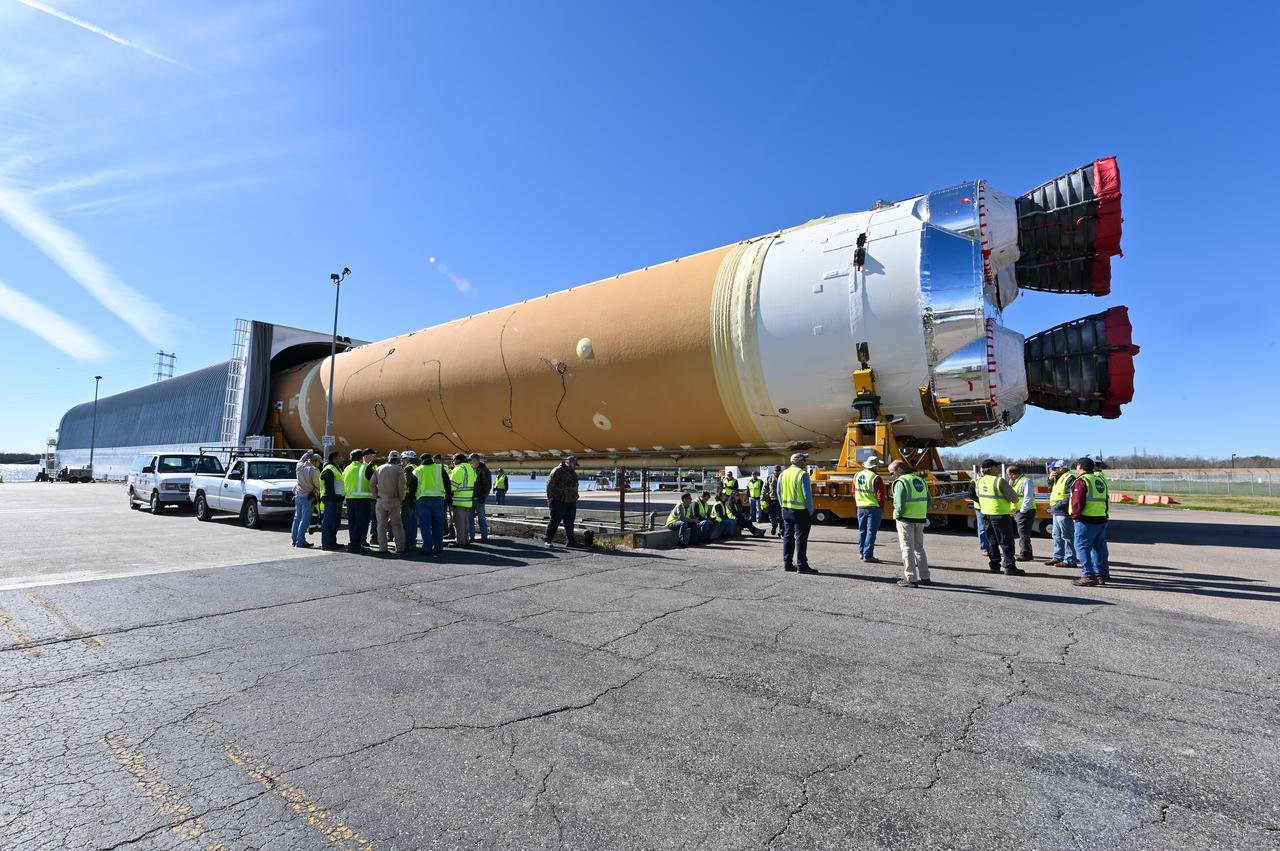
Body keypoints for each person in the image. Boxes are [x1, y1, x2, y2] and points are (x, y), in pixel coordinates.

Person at [971, 459, 1022, 575]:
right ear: (991, 469)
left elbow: (976, 496)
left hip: (985, 515)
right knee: (1006, 541)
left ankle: (994, 565)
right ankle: (1010, 566)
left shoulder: (979, 481)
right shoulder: (999, 481)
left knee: (992, 541)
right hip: (999, 515)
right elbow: (1014, 498)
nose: (998, 469)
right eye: (996, 467)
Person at [1070, 457, 1111, 587]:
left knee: (1082, 547)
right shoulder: (1100, 480)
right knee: (1098, 548)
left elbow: (1077, 501)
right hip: (1101, 518)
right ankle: (1100, 574)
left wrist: (1075, 515)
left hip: (1086, 519)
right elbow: (1106, 499)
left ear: (1080, 467)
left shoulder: (1082, 481)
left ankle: (1088, 575)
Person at [889, 460, 931, 587]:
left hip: (906, 519)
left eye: (892, 472)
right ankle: (925, 577)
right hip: (920, 518)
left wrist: (897, 516)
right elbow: (929, 501)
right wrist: (922, 513)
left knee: (907, 548)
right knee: (919, 548)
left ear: (900, 469)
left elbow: (899, 504)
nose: (891, 475)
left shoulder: (901, 482)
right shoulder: (921, 480)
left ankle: (911, 578)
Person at [779, 453, 816, 574]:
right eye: (804, 460)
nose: (806, 463)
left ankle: (787, 563)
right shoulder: (803, 474)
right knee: (801, 538)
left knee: (788, 537)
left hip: (786, 510)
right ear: (799, 462)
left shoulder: (783, 473)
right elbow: (807, 496)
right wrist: (810, 511)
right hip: (801, 511)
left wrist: (783, 506)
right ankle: (802, 565)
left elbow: (778, 492)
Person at [413, 452, 450, 556]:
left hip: (423, 501)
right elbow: (447, 483)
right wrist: (449, 497)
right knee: (438, 525)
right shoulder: (439, 468)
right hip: (438, 500)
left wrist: (412, 499)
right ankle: (439, 547)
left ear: (421, 460)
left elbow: (412, 486)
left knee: (425, 525)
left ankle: (427, 547)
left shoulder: (418, 470)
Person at [853, 457, 887, 563]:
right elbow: (881, 496)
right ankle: (868, 555)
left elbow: (853, 492)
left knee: (862, 531)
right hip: (873, 508)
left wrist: (859, 502)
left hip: (860, 507)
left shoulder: (857, 475)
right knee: (871, 532)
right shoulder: (876, 478)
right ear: (874, 466)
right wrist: (881, 507)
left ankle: (861, 553)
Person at [343, 448, 377, 553]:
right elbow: (376, 482)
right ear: (362, 457)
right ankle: (354, 544)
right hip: (363, 499)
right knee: (361, 522)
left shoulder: (347, 468)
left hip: (349, 499)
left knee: (352, 523)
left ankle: (354, 542)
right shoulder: (366, 467)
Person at [1046, 460, 1078, 569]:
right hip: (1056, 510)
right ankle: (1058, 556)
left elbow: (1070, 495)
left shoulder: (1069, 477)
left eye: (1054, 468)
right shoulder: (1058, 477)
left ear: (1061, 468)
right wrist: (1049, 479)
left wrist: (1058, 505)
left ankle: (1070, 559)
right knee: (1056, 535)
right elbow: (1050, 488)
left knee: (1067, 536)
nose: (1052, 470)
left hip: (1063, 511)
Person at [374, 450, 407, 555]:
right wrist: (401, 498)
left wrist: (377, 496)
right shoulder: (399, 470)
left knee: (381, 525)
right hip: (394, 500)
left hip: (381, 500)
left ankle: (382, 547)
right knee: (396, 525)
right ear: (398, 459)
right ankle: (400, 547)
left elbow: (371, 484)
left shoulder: (378, 469)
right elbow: (401, 486)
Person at [544, 456, 580, 547]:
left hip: (571, 501)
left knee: (569, 522)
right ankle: (547, 540)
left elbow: (575, 485)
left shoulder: (573, 473)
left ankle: (570, 542)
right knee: (555, 521)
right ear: (568, 462)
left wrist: (575, 496)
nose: (575, 466)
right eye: (574, 464)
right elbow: (549, 486)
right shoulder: (557, 471)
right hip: (558, 501)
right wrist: (551, 499)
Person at [1007, 464, 1036, 562]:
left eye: (1008, 474)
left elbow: (1028, 497)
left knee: (1023, 533)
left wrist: (1023, 510)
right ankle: (1027, 553)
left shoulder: (1026, 481)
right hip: (1018, 511)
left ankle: (1025, 554)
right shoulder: (1016, 481)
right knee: (1023, 533)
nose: (1008, 476)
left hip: (1025, 511)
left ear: (1012, 474)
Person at [291, 450, 320, 548]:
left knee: (297, 519)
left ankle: (294, 540)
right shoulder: (314, 470)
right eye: (319, 462)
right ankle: (300, 541)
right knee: (305, 520)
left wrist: (307, 453)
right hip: (308, 497)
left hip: (298, 495)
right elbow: (318, 485)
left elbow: (301, 459)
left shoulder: (299, 466)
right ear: (315, 461)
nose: (319, 464)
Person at [448, 453, 476, 547]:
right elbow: (474, 480)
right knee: (465, 522)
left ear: (458, 460)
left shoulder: (458, 469)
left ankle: (460, 542)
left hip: (458, 500)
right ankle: (465, 540)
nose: (453, 462)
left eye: (453, 459)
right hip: (467, 500)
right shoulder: (470, 468)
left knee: (458, 523)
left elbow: (452, 486)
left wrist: (446, 494)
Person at [319, 451, 345, 551]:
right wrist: (334, 497)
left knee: (335, 522)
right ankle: (327, 544)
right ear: (334, 459)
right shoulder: (329, 469)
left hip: (336, 499)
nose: (342, 458)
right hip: (331, 500)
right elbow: (328, 486)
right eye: (340, 457)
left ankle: (332, 542)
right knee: (329, 522)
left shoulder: (337, 468)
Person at [399, 451, 419, 551]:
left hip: (408, 499)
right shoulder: (417, 467)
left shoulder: (409, 468)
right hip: (416, 498)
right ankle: (412, 541)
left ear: (407, 459)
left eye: (402, 459)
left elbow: (405, 484)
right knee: (413, 521)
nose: (401, 461)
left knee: (406, 521)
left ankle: (407, 542)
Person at [469, 454, 492, 542]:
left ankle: (484, 536)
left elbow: (488, 485)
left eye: (471, 460)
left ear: (477, 460)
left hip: (479, 498)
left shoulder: (485, 470)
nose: (470, 462)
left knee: (481, 517)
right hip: (470, 497)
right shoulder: (470, 469)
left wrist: (483, 496)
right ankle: (471, 536)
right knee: (469, 518)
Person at [763, 465, 783, 536]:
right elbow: (764, 488)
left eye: (778, 471)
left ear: (780, 471)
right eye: (776, 471)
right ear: (774, 471)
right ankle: (774, 526)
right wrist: (762, 498)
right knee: (772, 517)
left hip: (782, 501)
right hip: (772, 500)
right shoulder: (769, 477)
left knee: (782, 517)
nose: (777, 472)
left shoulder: (783, 477)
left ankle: (781, 531)